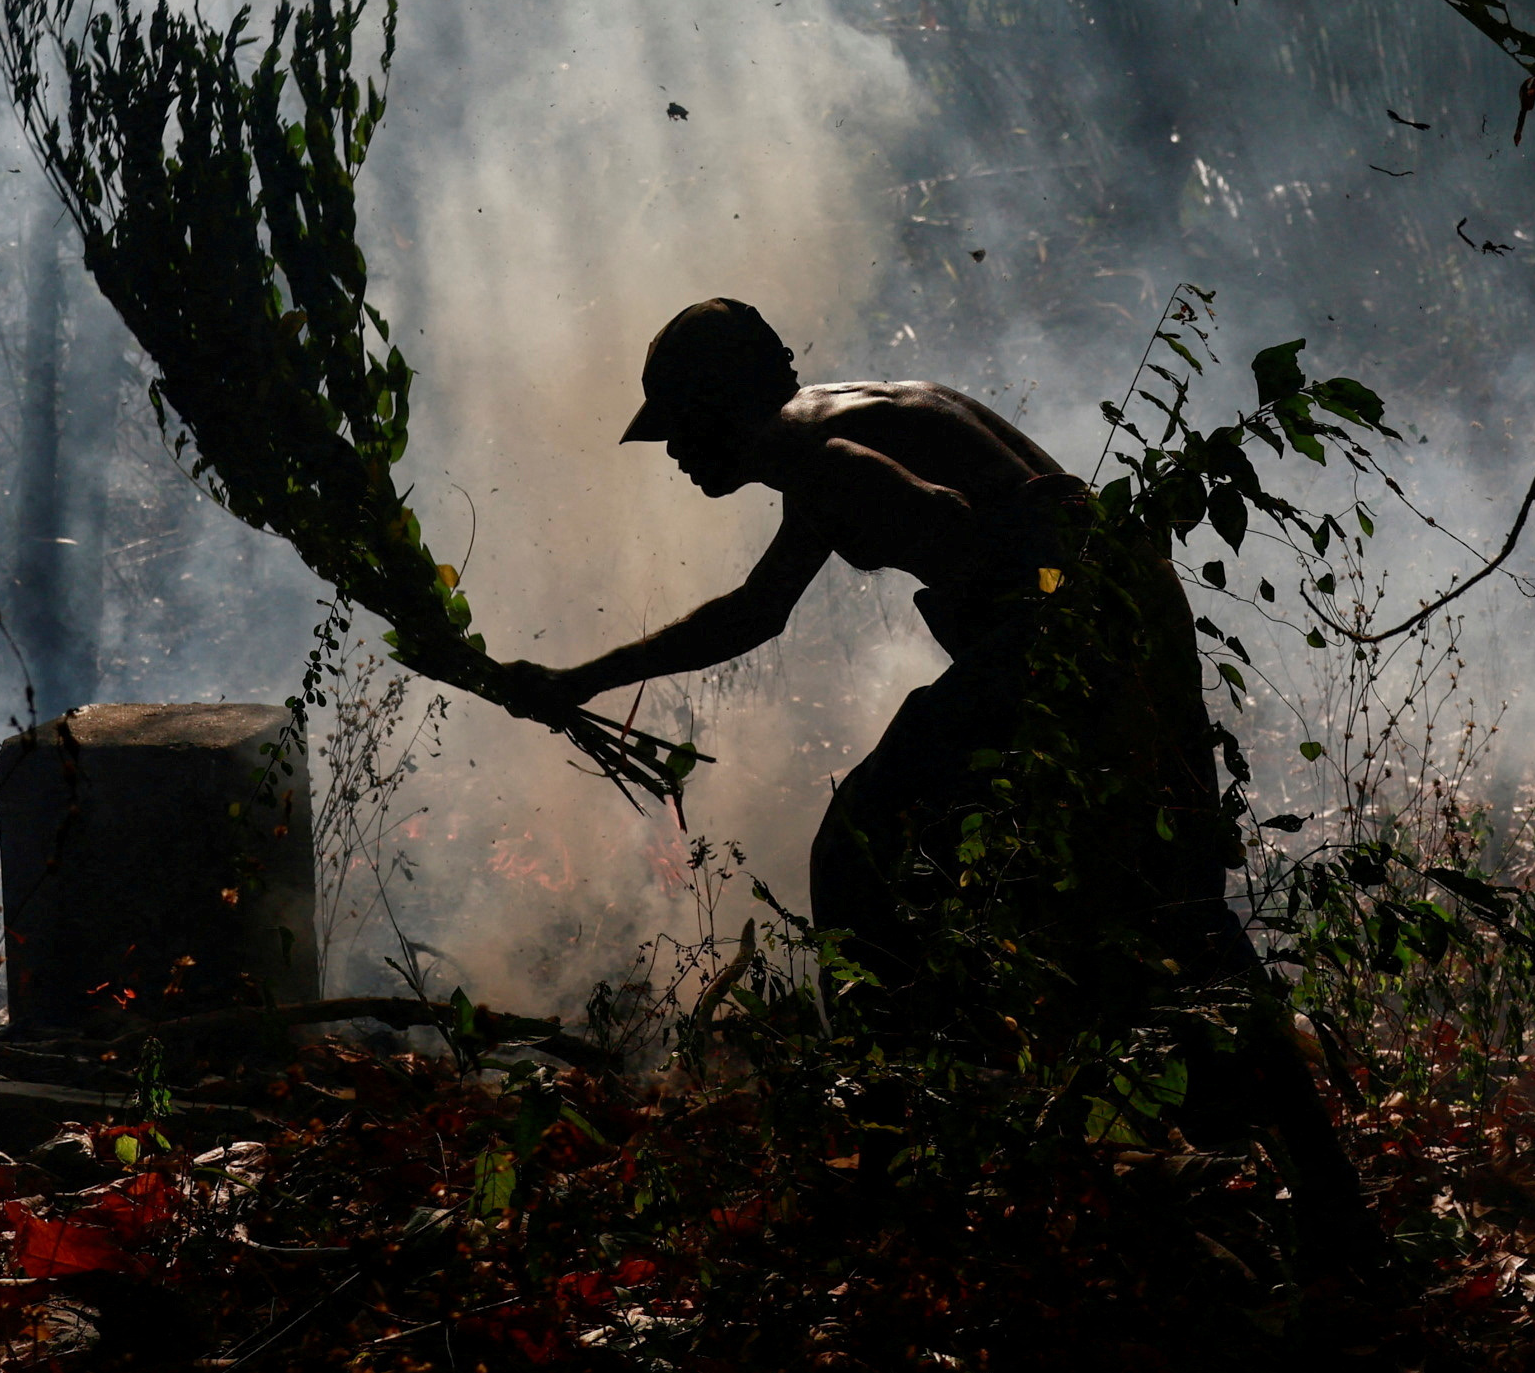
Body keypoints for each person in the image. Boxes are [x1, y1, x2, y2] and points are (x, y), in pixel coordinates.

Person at [488, 297, 1374, 1249]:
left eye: (679, 428)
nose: (672, 454)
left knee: (860, 851)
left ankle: (897, 1151)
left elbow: (937, 522)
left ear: (719, 403)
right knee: (1161, 902)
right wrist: (580, 681)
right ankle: (1323, 1205)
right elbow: (757, 611)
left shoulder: (812, 450)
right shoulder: (834, 424)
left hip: (1061, 630)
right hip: (1117, 610)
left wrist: (990, 590)